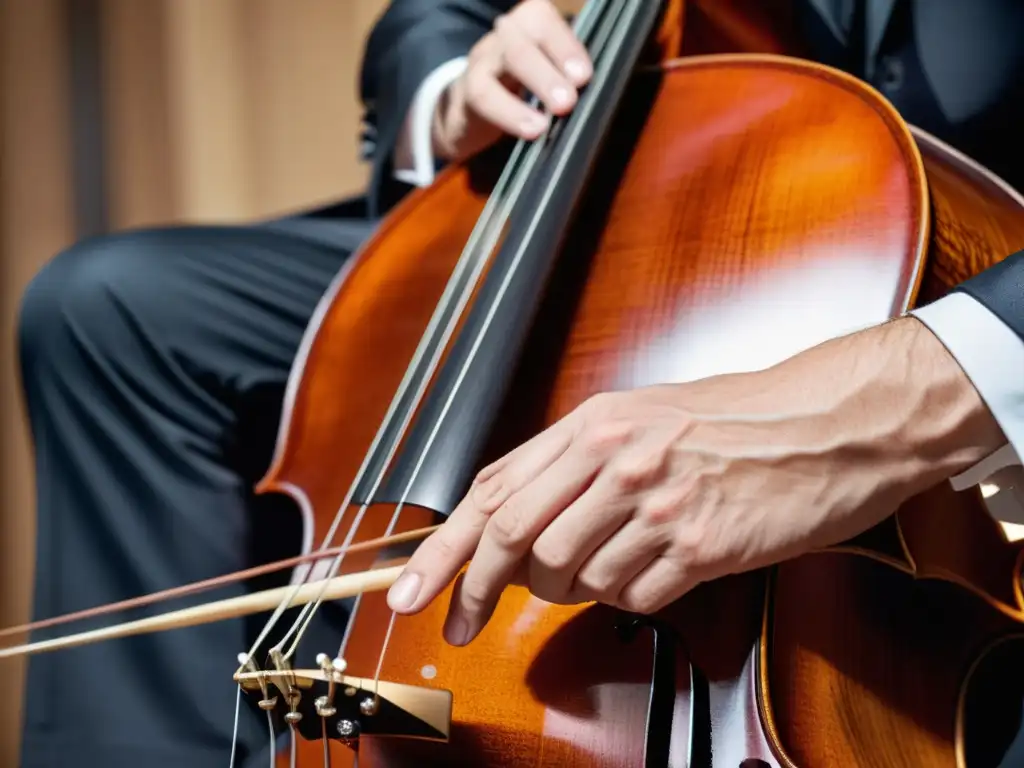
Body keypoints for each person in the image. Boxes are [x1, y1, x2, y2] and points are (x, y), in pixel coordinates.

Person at [14, 0, 1022, 765]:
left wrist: (912, 384)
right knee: (120, 311)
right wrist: (454, 78)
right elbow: (443, 14)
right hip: (643, 160)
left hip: (954, 229)